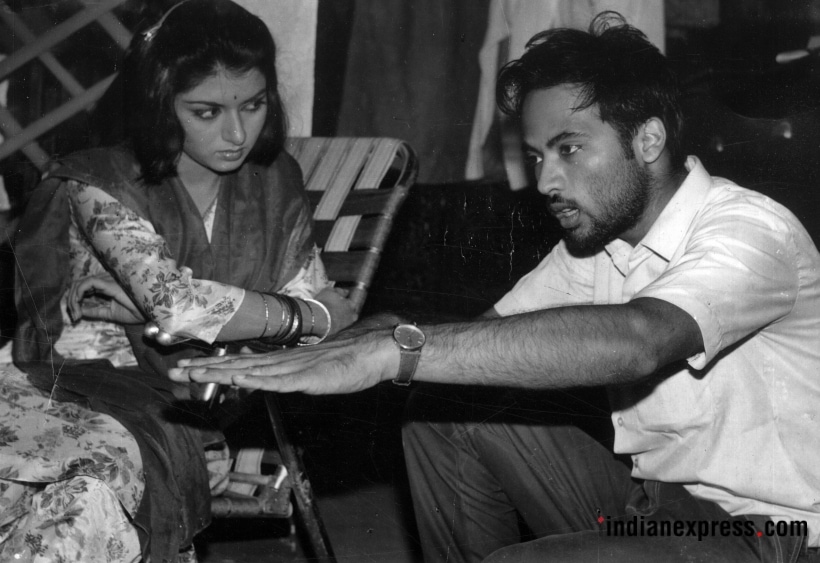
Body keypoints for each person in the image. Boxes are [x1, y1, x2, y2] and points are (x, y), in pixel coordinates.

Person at [172, 12, 820, 563]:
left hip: (766, 533)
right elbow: (481, 340)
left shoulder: (749, 232)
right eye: (537, 156)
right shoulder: (598, 242)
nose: (545, 182)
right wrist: (356, 337)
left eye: (569, 149)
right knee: (443, 411)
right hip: (649, 506)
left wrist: (395, 349)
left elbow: (641, 339)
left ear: (648, 139)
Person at [4, 1, 356, 561]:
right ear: (162, 104)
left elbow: (305, 330)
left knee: (93, 498)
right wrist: (313, 315)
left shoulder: (274, 183)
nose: (237, 132)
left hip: (181, 412)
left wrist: (148, 312)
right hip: (51, 389)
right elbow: (181, 306)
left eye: (254, 105)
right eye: (207, 112)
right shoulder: (98, 183)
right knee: (85, 496)